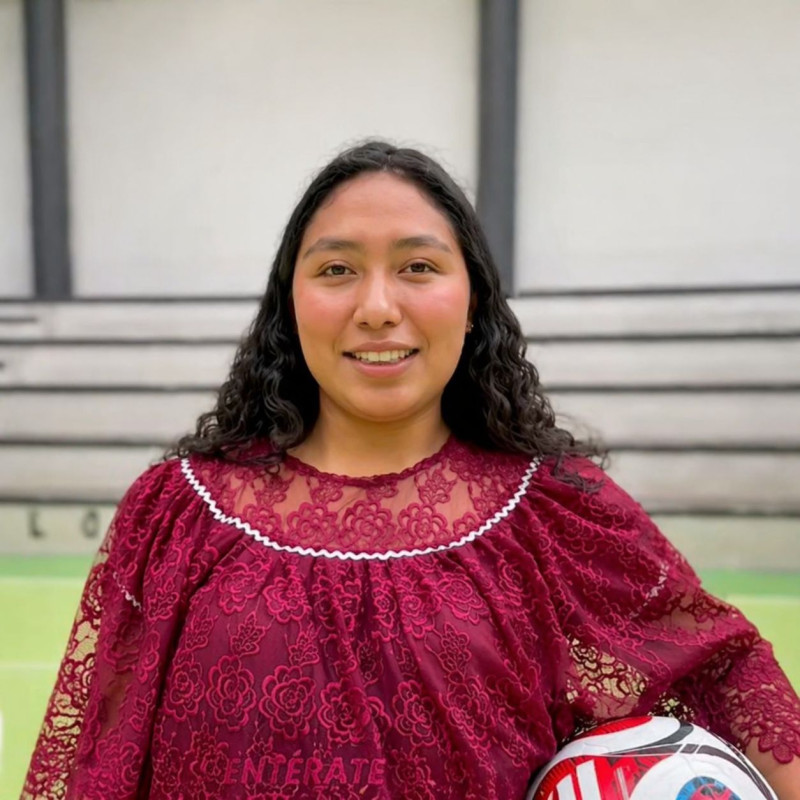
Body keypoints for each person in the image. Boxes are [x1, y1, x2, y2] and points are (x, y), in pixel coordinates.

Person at [23, 141, 800, 800]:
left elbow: (727, 671)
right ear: (289, 302)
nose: (377, 307)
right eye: (336, 269)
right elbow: (100, 765)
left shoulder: (557, 512)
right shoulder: (179, 513)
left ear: (473, 300)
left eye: (418, 266)